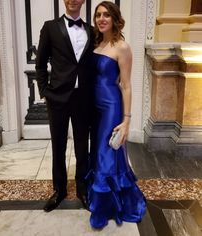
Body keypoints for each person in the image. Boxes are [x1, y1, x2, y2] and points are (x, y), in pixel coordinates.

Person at [87, 1, 146, 229]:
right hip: (93, 108)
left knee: (106, 152)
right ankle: (103, 199)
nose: (101, 19)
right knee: (98, 152)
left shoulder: (122, 46)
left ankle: (105, 207)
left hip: (111, 107)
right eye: (98, 15)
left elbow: (127, 85)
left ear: (114, 19)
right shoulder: (96, 42)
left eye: (106, 15)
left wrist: (127, 120)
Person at [36, 0, 94, 212]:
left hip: (83, 98)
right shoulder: (50, 27)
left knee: (82, 147)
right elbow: (40, 63)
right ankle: (59, 190)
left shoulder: (92, 30)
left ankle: (82, 190)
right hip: (58, 97)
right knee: (58, 146)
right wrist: (44, 91)